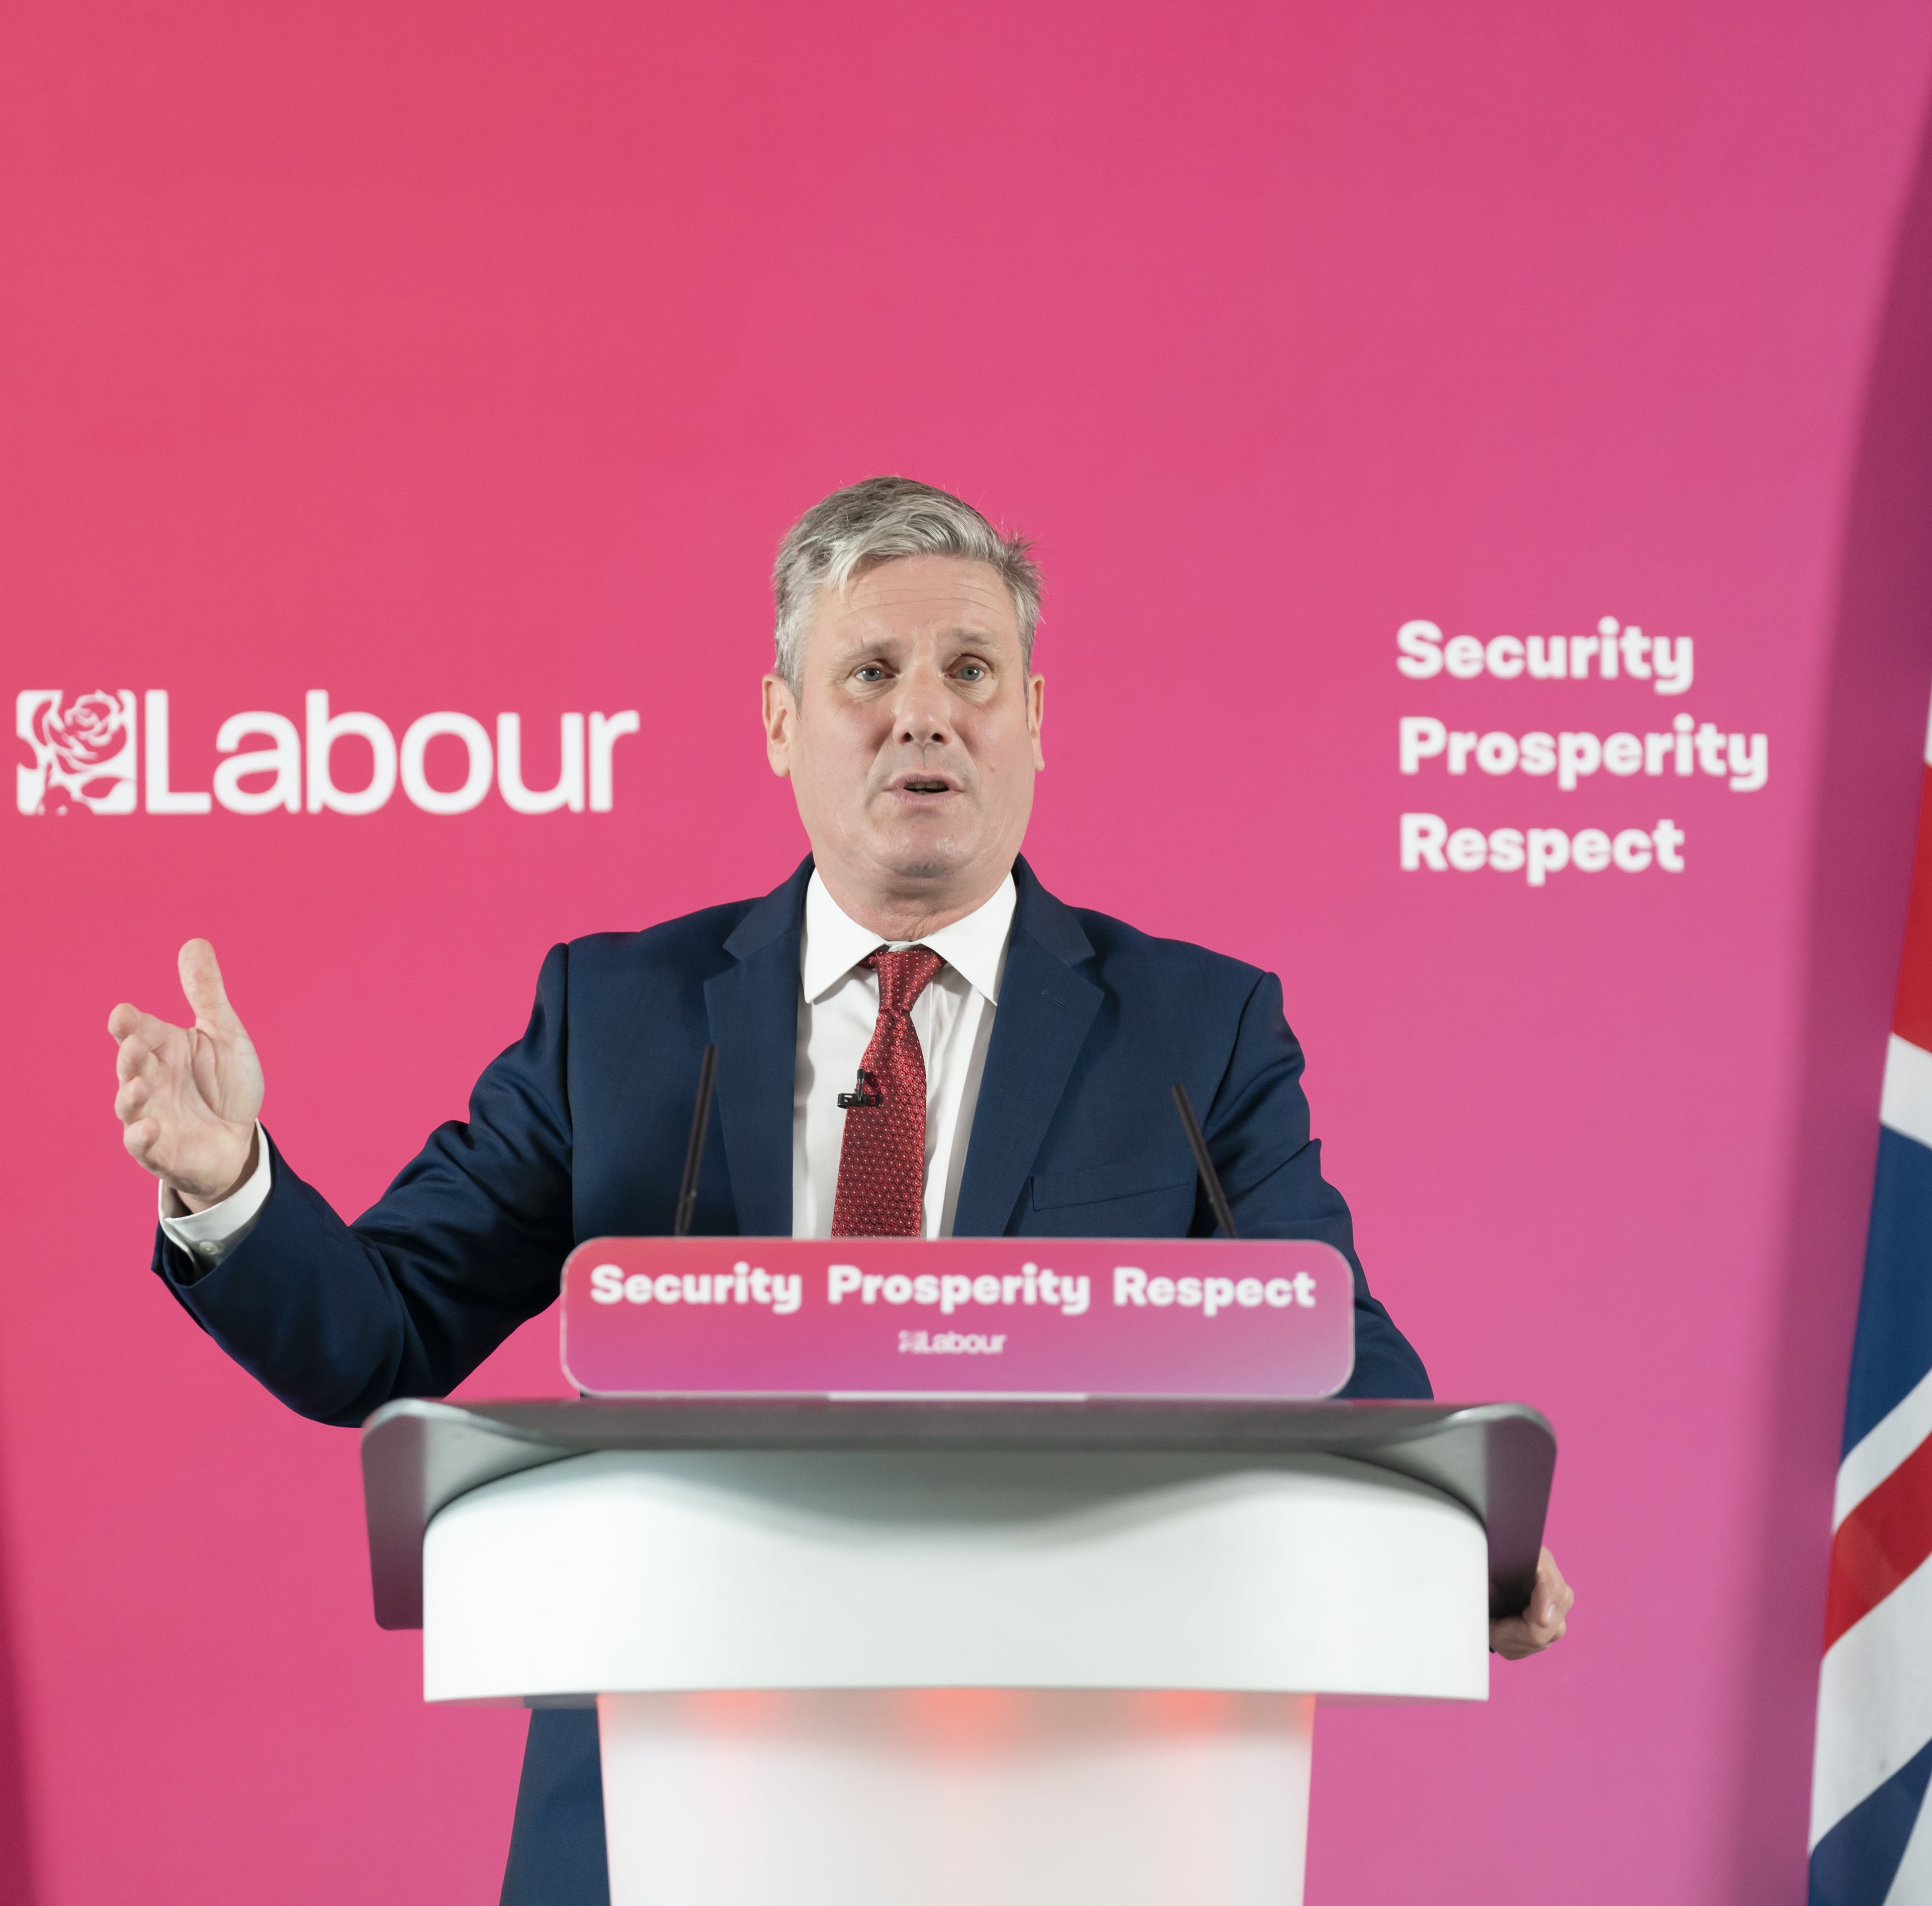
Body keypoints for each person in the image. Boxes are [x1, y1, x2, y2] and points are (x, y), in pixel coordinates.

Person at [108, 476, 1573, 1905]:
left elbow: (1334, 1351)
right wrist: (230, 1179)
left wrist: (1459, 1533)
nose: (923, 710)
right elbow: (381, 1335)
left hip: (1076, 1805)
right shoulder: (614, 1017)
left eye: (973, 671)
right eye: (870, 669)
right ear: (778, 721)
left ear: (1037, 721)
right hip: (669, 1799)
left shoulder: (1199, 1034)